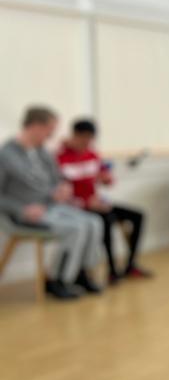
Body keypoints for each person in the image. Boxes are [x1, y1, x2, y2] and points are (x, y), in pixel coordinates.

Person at [0, 106, 103, 300]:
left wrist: (63, 188)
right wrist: (22, 210)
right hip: (22, 215)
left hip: (51, 207)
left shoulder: (42, 152)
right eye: (50, 129)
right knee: (76, 229)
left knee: (94, 222)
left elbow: (57, 178)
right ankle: (57, 280)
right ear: (36, 126)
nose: (52, 134)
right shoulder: (6, 155)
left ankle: (80, 273)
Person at [57, 119, 152, 284]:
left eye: (90, 139)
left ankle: (130, 265)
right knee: (106, 219)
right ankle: (112, 271)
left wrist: (106, 180)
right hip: (76, 208)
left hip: (96, 203)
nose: (87, 143)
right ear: (75, 135)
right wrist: (86, 203)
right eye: (84, 138)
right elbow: (60, 194)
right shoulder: (60, 158)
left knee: (138, 216)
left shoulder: (92, 154)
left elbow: (105, 178)